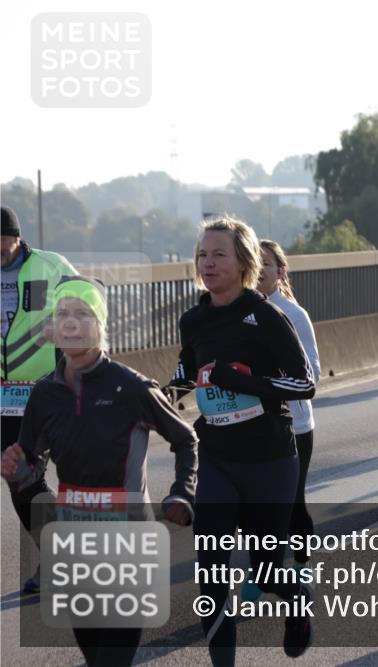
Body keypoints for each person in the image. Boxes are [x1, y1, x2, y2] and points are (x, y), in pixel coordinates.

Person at [2, 275, 196, 666]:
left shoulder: (132, 387)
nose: (71, 323)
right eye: (63, 314)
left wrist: (182, 492)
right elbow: (31, 464)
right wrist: (16, 469)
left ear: (102, 324)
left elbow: (186, 438)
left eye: (83, 313)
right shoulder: (44, 394)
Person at [167, 216, 316, 664]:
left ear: (244, 261)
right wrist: (154, 398)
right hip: (216, 457)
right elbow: (187, 372)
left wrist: (247, 383)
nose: (207, 264)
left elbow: (304, 383)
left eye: (218, 255)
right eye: (201, 255)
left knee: (268, 572)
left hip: (270, 459)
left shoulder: (267, 316)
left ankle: (296, 602)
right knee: (211, 572)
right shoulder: (193, 319)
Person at [0, 204, 77, 593]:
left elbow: (89, 301)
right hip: (2, 398)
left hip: (45, 391)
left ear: (16, 237)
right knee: (16, 477)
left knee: (29, 473)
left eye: (1, 246)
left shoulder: (50, 265)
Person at [258, 239, 321, 570]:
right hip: (255, 426)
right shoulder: (241, 314)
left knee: (292, 501)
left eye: (265, 263)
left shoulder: (294, 315)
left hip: (294, 426)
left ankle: (301, 566)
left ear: (280, 272)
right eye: (252, 261)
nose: (258, 269)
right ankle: (264, 571)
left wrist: (268, 381)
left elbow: (314, 372)